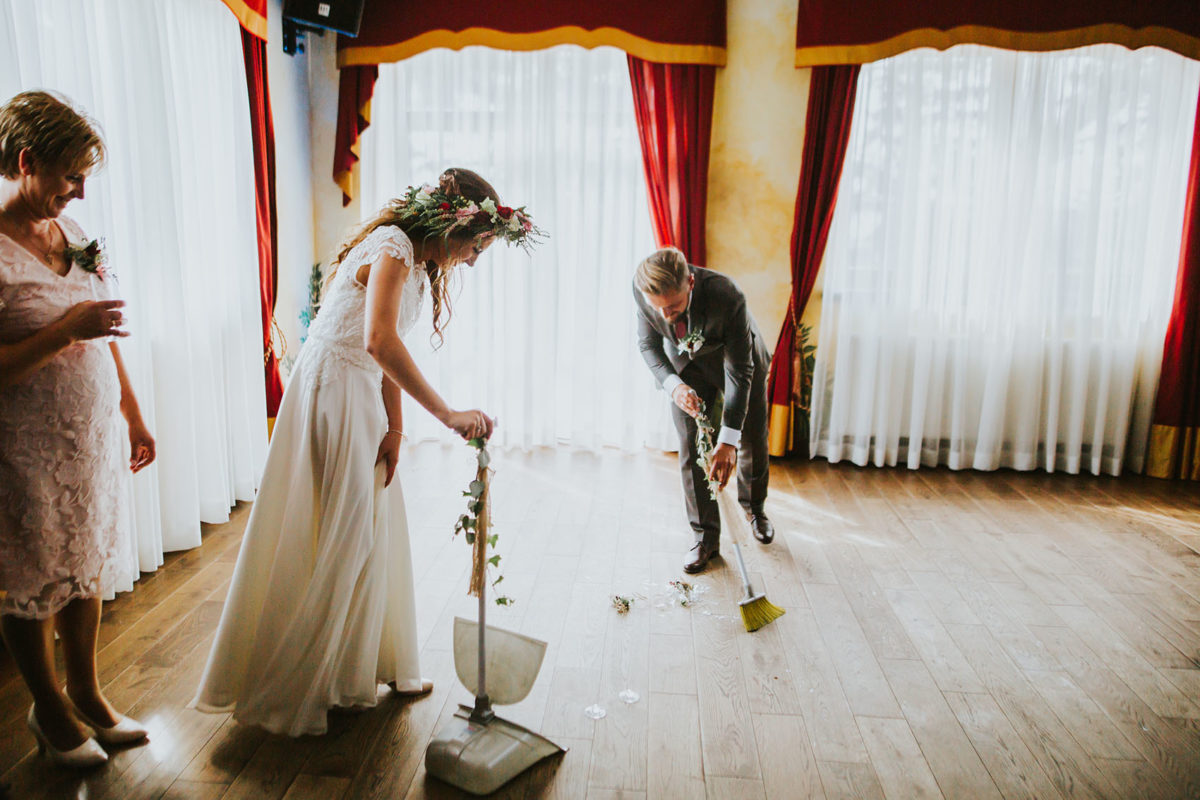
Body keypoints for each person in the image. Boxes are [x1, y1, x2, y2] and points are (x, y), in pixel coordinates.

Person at [193, 168, 541, 736]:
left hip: (362, 394)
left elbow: (383, 352)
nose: (475, 260)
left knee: (374, 526)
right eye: (476, 246)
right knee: (343, 529)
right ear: (452, 226)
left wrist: (396, 428)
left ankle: (364, 668)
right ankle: (302, 683)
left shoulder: (420, 262)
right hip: (332, 390)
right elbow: (377, 340)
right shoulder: (395, 246)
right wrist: (448, 414)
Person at [0, 91, 155, 768]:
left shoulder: (78, 241)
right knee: (32, 577)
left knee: (85, 563)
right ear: (28, 161)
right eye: (71, 176)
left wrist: (132, 411)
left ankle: (88, 694)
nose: (81, 191)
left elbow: (106, 331)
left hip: (87, 433)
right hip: (24, 442)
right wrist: (67, 329)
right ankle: (51, 713)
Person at [633, 247, 773, 574]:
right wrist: (673, 385)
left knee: (750, 433)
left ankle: (754, 508)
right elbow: (648, 345)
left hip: (737, 360)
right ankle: (704, 537)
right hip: (686, 366)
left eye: (674, 306)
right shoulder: (642, 290)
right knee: (692, 442)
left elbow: (740, 372)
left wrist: (728, 442)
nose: (666, 315)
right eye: (659, 308)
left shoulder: (728, 295)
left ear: (691, 283)